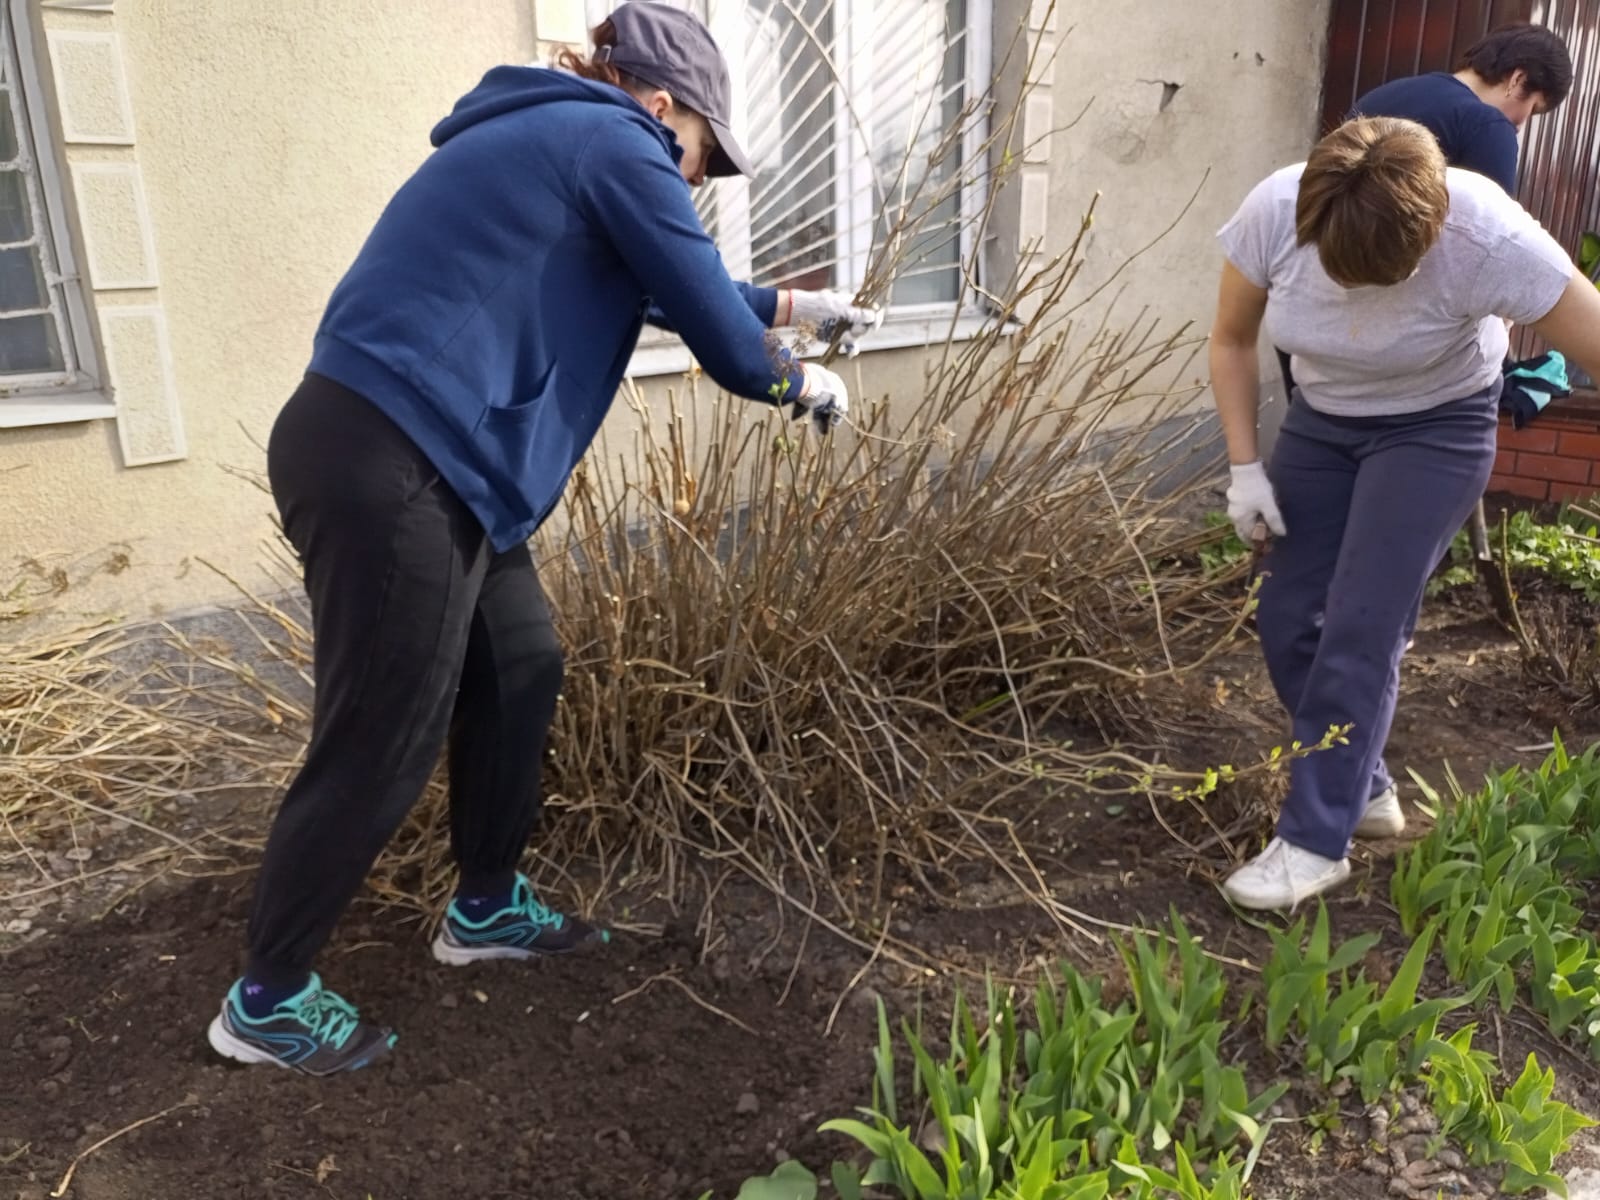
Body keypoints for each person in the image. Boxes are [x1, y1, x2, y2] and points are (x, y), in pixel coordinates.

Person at [206, 1, 881, 1074]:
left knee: (521, 664)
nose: (699, 178)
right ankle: (267, 997)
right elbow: (717, 336)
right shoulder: (616, 140)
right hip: (395, 459)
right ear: (666, 107)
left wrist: (795, 303)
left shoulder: (560, 139)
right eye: (705, 153)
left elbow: (663, 284)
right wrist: (794, 374)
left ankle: (482, 907)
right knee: (382, 729)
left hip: (435, 463)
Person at [1210, 116, 1600, 910]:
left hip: (1438, 425)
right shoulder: (1275, 211)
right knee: (1287, 616)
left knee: (1363, 625)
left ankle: (1316, 842)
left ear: (1433, 230)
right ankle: (1363, 784)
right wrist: (1244, 467)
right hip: (1323, 421)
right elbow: (1230, 338)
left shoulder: (1492, 238)